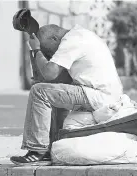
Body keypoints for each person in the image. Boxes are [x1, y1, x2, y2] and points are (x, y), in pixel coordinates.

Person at [10, 24, 124, 166]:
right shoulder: (82, 34)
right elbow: (58, 80)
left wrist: (37, 50)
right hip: (105, 94)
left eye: (50, 50)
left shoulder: (71, 41)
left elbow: (50, 73)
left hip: (98, 95)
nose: (52, 55)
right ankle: (53, 147)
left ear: (54, 38)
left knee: (39, 91)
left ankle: (37, 150)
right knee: (56, 93)